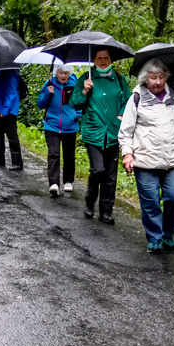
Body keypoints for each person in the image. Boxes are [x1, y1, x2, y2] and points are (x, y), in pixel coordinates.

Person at [119, 59, 174, 254]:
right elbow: (125, 131)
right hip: (145, 160)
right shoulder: (137, 98)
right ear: (146, 79)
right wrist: (127, 154)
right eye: (153, 78)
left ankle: (168, 234)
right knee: (151, 201)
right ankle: (155, 237)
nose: (158, 82)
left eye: (161, 77)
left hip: (173, 158)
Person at [69, 49, 131, 224]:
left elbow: (128, 101)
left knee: (110, 175)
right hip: (93, 131)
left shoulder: (119, 79)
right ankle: (90, 201)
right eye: (99, 58)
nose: (103, 61)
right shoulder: (85, 78)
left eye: (106, 58)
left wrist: (121, 115)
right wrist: (84, 91)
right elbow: (74, 103)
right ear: (94, 60)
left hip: (113, 132)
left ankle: (106, 211)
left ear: (111, 59)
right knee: (98, 170)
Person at [36, 64, 81, 196]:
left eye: (66, 73)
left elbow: (80, 102)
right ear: (56, 73)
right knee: (53, 154)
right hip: (52, 125)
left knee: (69, 155)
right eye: (60, 73)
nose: (63, 76)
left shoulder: (75, 84)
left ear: (69, 74)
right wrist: (48, 94)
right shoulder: (49, 84)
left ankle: (68, 181)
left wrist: (76, 115)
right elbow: (40, 104)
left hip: (70, 125)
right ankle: (54, 183)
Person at [0, 68, 25, 170]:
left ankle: (17, 162)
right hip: (0, 107)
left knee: (12, 136)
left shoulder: (11, 73)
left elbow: (11, 93)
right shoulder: (1, 71)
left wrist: (5, 110)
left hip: (9, 109)